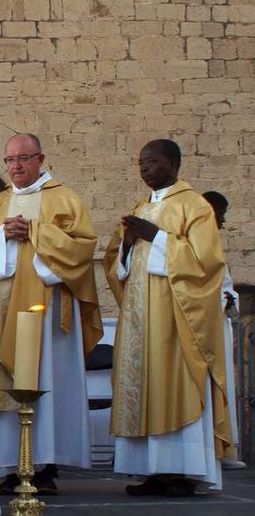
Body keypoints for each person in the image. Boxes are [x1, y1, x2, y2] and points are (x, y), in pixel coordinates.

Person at [0, 133, 103, 495]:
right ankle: (9, 465)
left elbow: (82, 248)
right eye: (10, 160)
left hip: (46, 309)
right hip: (3, 305)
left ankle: (44, 464)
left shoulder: (65, 199)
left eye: (23, 159)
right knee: (2, 381)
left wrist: (36, 233)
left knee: (44, 379)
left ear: (40, 158)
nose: (16, 167)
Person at [105, 140, 233, 496]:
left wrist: (157, 237)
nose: (144, 168)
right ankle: (153, 471)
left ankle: (181, 471)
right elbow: (117, 266)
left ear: (173, 163)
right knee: (145, 387)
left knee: (173, 385)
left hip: (176, 320)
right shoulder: (140, 207)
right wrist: (128, 245)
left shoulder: (195, 206)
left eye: (152, 162)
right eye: (140, 163)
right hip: (140, 321)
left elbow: (206, 265)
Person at [202, 191, 245, 469]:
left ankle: (223, 447)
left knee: (224, 386)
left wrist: (229, 298)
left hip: (218, 326)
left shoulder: (212, 245)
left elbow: (225, 285)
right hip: (200, 327)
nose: (222, 222)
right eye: (219, 215)